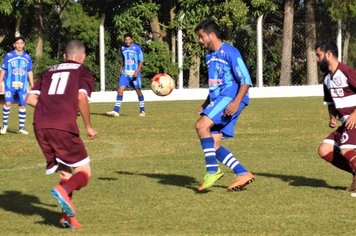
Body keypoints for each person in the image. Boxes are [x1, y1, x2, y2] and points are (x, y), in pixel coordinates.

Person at [26, 40, 97, 228]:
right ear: (82, 57)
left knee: (65, 172)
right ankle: (63, 190)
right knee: (83, 172)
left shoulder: (48, 71)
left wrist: (50, 108)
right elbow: (81, 97)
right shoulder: (83, 71)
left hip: (40, 125)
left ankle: (67, 217)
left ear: (65, 56)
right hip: (63, 125)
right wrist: (88, 125)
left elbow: (30, 98)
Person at [194, 19, 255, 192]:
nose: (200, 40)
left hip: (230, 99)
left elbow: (246, 80)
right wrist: (206, 103)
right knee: (213, 145)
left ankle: (212, 171)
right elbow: (215, 83)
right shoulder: (209, 56)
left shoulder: (230, 52)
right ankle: (242, 173)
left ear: (211, 35)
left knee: (201, 126)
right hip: (218, 100)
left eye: (201, 36)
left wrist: (236, 102)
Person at [316, 42, 356, 197]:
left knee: (346, 149)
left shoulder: (346, 71)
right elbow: (330, 103)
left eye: (319, 56)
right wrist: (332, 117)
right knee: (324, 149)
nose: (318, 60)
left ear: (328, 54)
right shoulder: (327, 79)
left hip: (354, 119)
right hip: (345, 122)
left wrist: (354, 114)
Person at [0, 36, 33, 135]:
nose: (19, 45)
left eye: (21, 43)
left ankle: (21, 128)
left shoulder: (27, 57)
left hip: (22, 85)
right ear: (14, 44)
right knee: (8, 103)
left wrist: (32, 84)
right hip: (10, 84)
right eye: (17, 43)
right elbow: (3, 70)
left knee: (22, 105)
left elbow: (30, 71)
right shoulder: (9, 55)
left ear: (24, 44)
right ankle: (4, 126)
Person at [106, 33, 145, 117]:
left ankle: (142, 110)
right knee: (120, 90)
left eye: (129, 40)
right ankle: (116, 111)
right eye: (126, 40)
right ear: (124, 40)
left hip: (134, 73)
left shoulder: (137, 48)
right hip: (125, 73)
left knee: (138, 92)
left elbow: (141, 60)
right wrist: (120, 70)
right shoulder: (122, 48)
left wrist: (137, 71)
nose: (127, 41)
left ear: (132, 40)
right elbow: (123, 59)